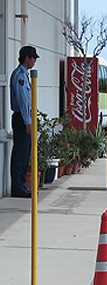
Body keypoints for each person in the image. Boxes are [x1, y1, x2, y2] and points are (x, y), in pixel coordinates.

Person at [10, 46, 39, 197]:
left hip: (25, 117)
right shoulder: (20, 76)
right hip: (22, 118)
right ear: (26, 58)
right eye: (33, 58)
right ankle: (18, 186)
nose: (34, 61)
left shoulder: (24, 75)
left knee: (25, 152)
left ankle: (21, 184)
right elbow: (22, 102)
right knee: (21, 153)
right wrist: (28, 122)